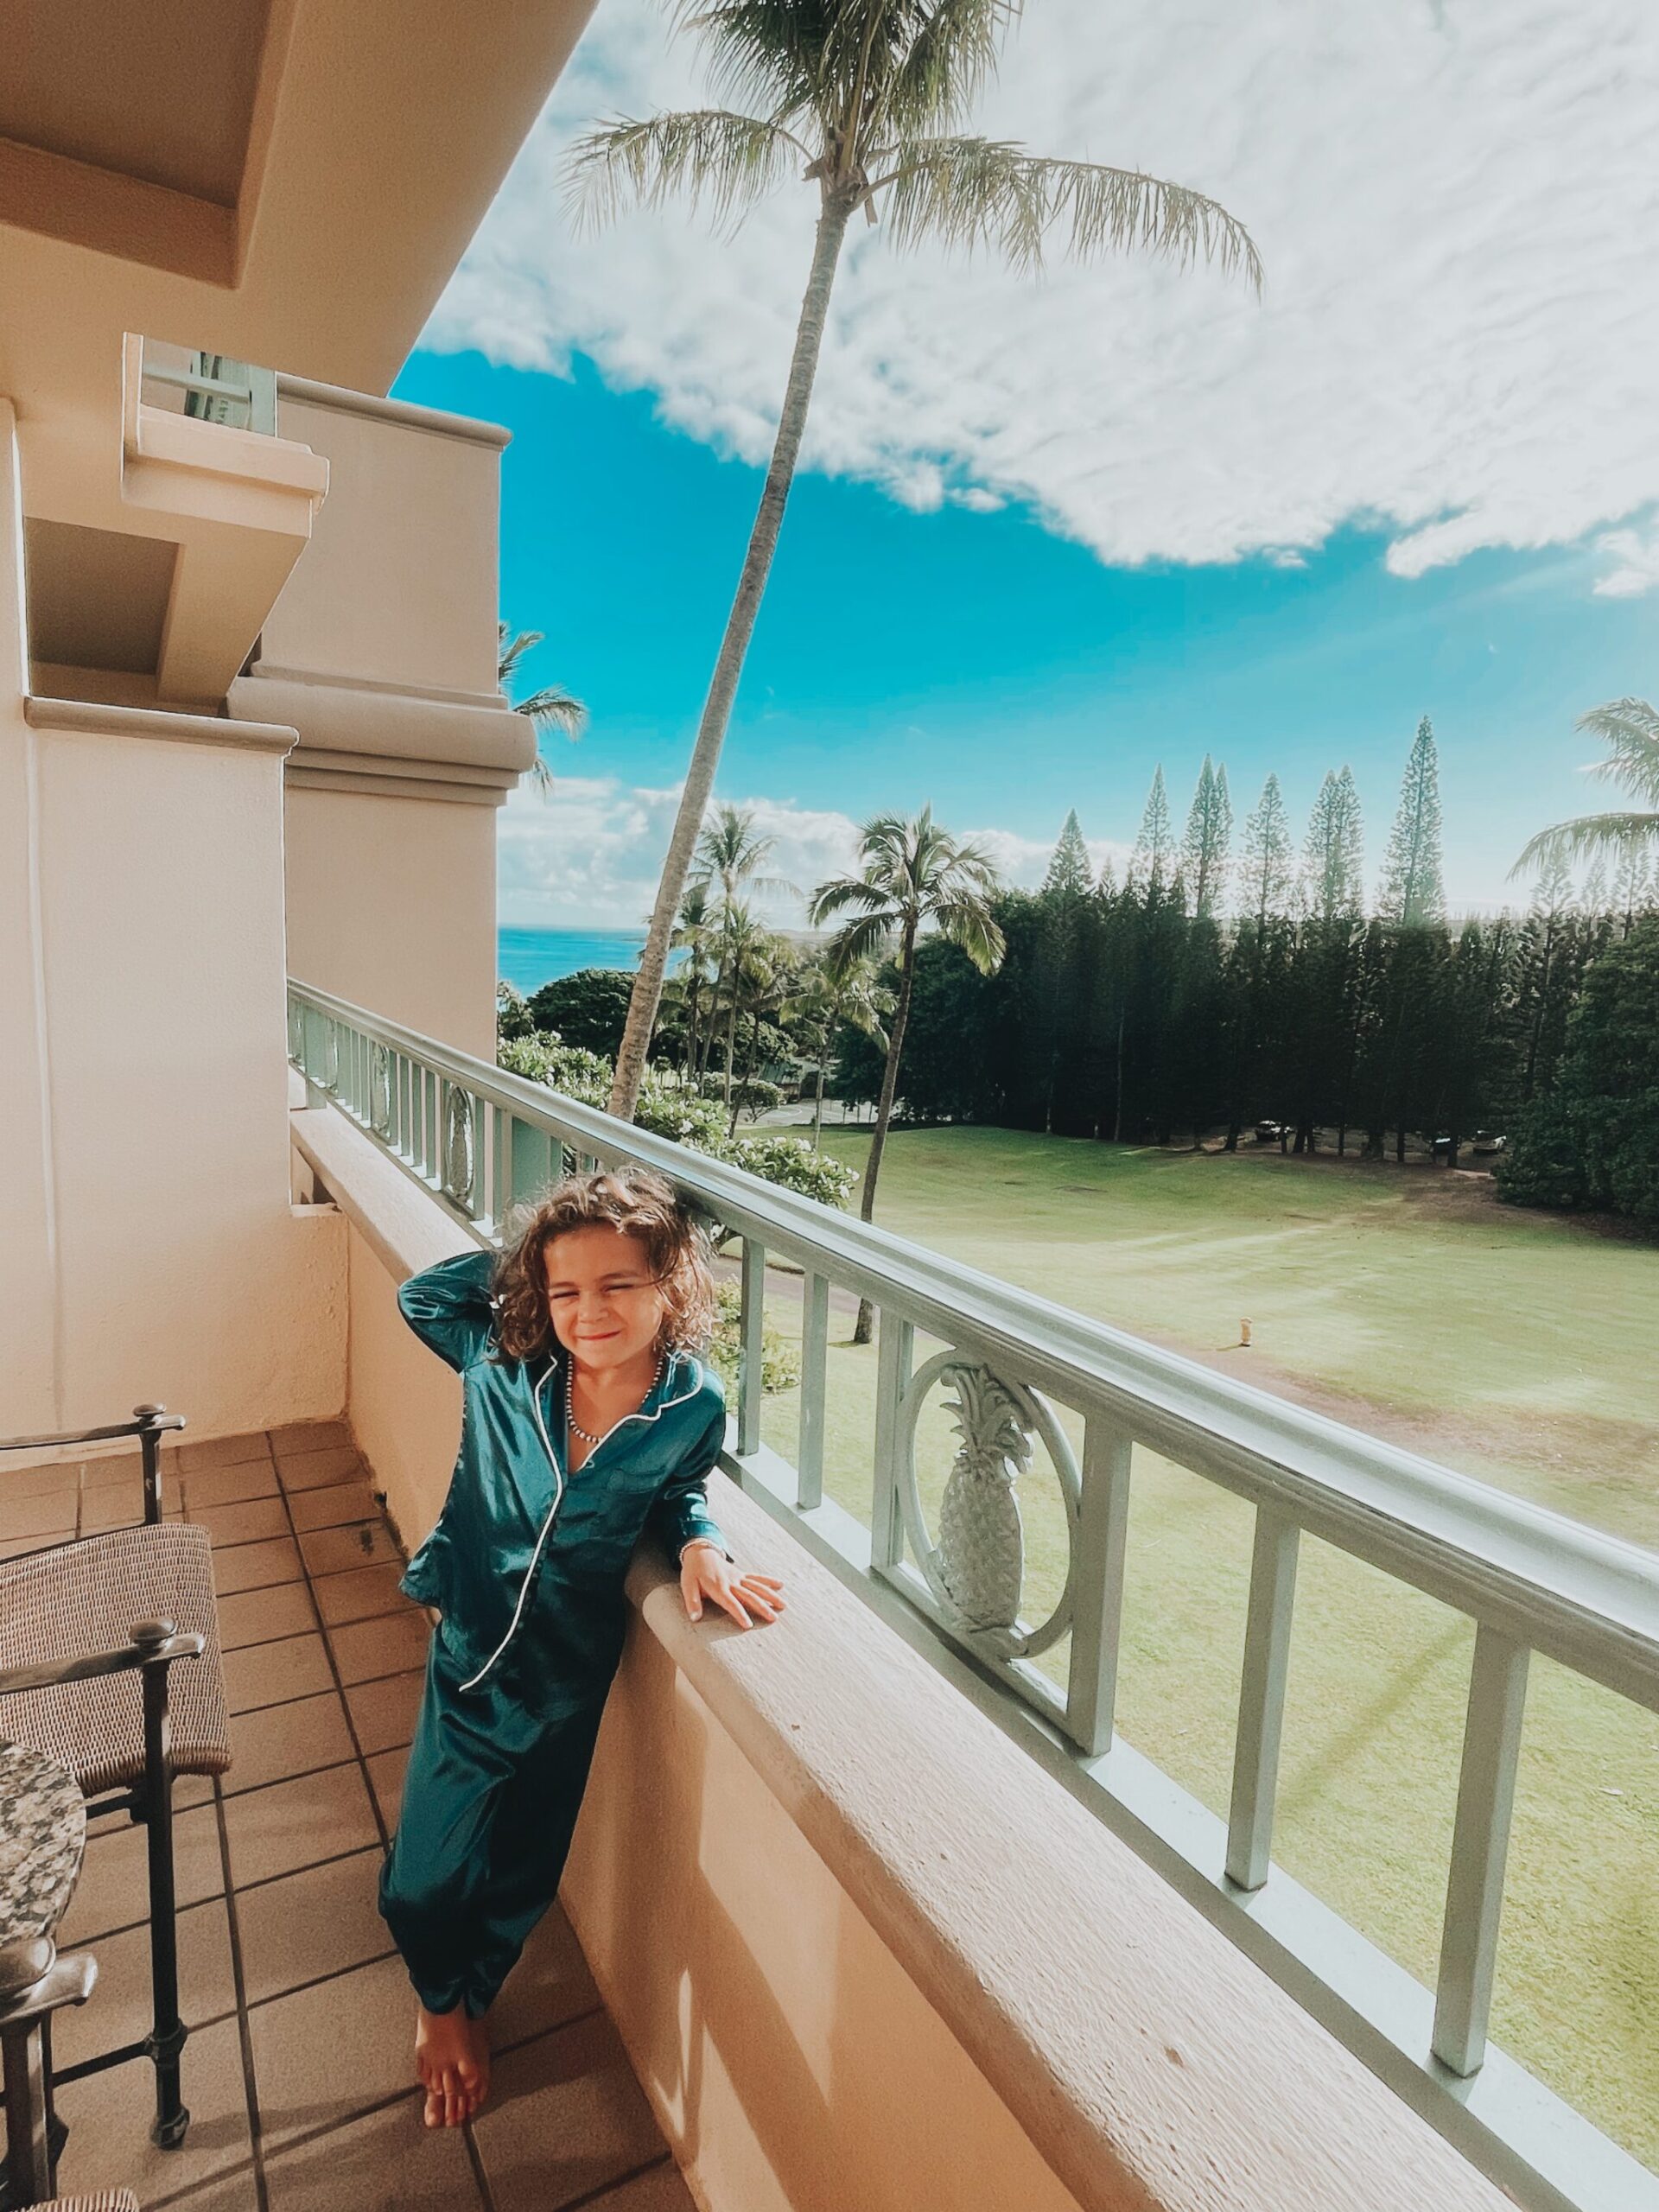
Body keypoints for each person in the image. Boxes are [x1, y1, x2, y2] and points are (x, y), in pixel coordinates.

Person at [378, 1163, 785, 2129]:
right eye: (567, 1290)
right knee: (421, 1877)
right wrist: (541, 1251)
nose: (588, 1309)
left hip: (569, 1675)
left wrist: (699, 1538)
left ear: (671, 1286)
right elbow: (420, 1294)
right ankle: (438, 2004)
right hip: (472, 1658)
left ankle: (475, 1990)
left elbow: (681, 1483)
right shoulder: (500, 1359)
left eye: (618, 1284)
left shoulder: (691, 1402)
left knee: (524, 1862)